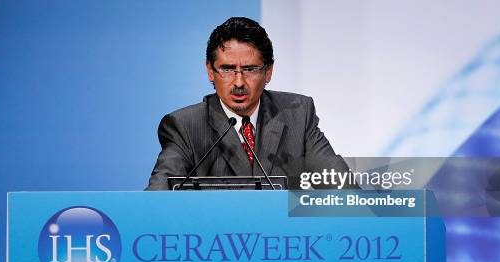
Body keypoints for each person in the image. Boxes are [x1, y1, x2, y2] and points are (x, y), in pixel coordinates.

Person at [147, 17, 351, 190]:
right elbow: (157, 201)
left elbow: (344, 190)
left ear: (268, 71)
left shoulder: (297, 114)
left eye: (250, 69)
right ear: (210, 71)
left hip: (284, 236)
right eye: (227, 69)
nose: (238, 82)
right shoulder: (185, 126)